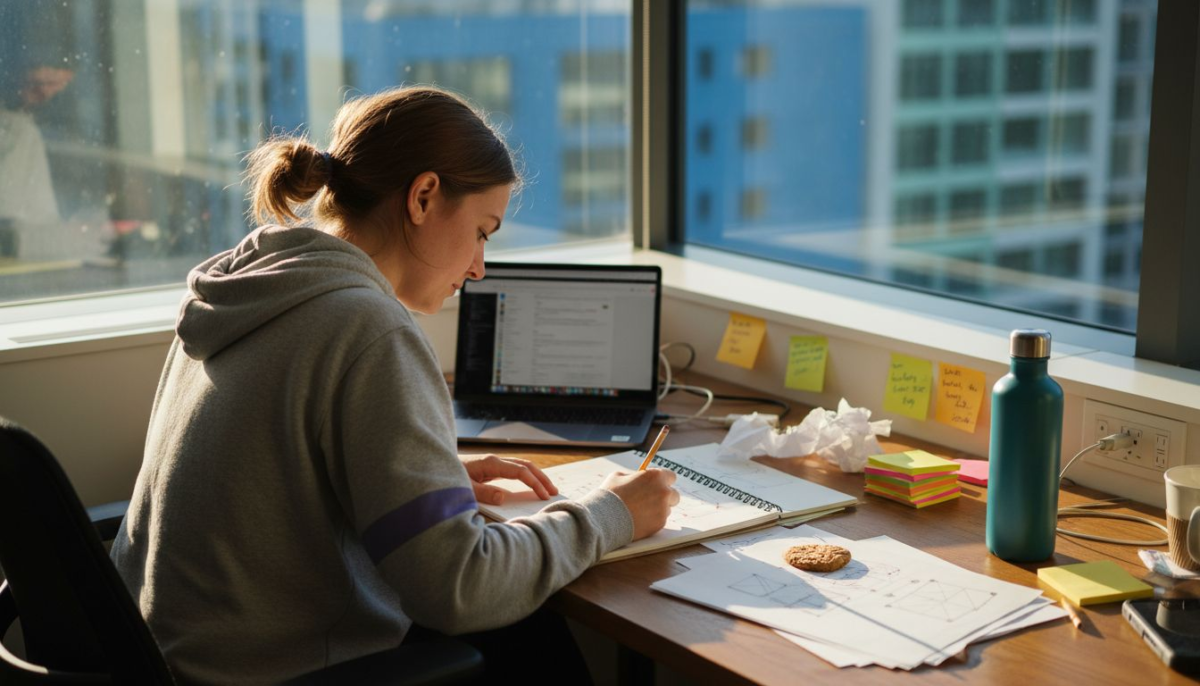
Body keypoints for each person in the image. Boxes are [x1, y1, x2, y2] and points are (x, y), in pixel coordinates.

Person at [110, 86, 680, 685]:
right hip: (271, 673)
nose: (480, 265)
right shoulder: (368, 327)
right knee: (525, 630)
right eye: (483, 231)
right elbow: (460, 590)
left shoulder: (248, 285)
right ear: (424, 196)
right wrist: (612, 514)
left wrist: (426, 476)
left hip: (160, 657)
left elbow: (271, 472)